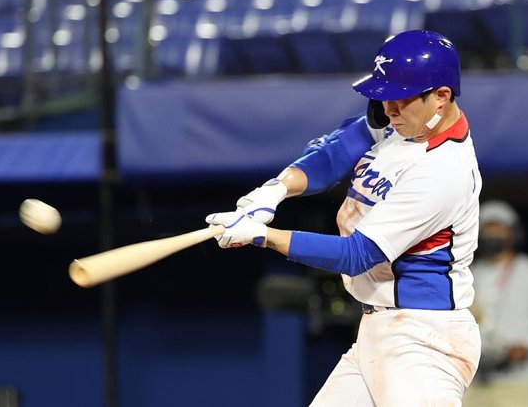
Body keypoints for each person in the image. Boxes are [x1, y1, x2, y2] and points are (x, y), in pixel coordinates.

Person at [205, 29, 483, 406]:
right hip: (378, 326)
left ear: (441, 97)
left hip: (424, 338)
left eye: (399, 100)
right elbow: (335, 153)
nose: (388, 109)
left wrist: (264, 236)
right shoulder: (402, 122)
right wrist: (275, 190)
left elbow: (357, 254)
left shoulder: (444, 170)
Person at [463, 200, 528, 407]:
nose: (492, 234)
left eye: (499, 228)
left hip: (516, 378)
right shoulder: (468, 273)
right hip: (474, 376)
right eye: (487, 228)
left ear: (513, 233)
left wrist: (526, 345)